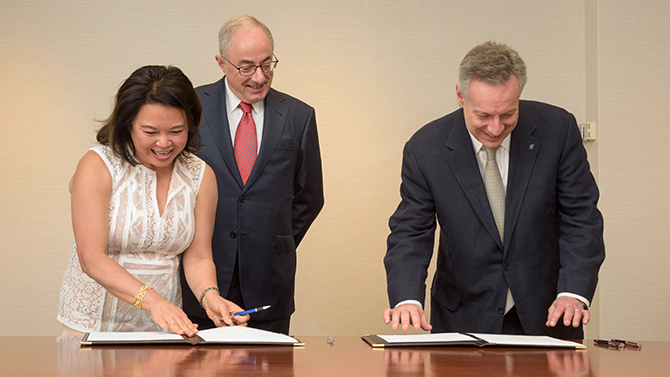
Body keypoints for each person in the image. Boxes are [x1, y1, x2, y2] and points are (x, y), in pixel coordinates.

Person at [383, 41, 605, 339]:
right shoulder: (425, 149)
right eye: (483, 116)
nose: (496, 127)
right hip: (463, 314)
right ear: (461, 96)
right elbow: (411, 230)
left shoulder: (558, 131)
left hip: (548, 311)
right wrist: (407, 297)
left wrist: (573, 292)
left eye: (508, 114)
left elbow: (582, 218)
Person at [57, 65, 248, 337]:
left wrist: (210, 297)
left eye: (176, 131)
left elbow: (199, 256)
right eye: (150, 131)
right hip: (91, 327)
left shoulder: (200, 175)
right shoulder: (98, 165)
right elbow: (91, 259)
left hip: (163, 326)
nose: (163, 143)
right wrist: (154, 301)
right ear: (127, 124)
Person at [180, 15, 324, 334]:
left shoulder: (299, 116)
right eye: (246, 67)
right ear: (221, 62)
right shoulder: (190, 107)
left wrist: (274, 241)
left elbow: (310, 197)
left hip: (270, 281)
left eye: (267, 64)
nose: (259, 77)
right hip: (203, 280)